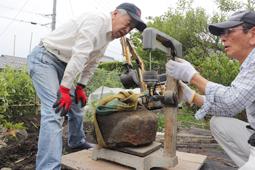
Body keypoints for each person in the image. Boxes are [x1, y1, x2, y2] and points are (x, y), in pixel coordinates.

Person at [27, 2, 146, 170]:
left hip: (63, 63)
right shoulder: (97, 20)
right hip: (45, 59)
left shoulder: (108, 36)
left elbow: (93, 62)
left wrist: (80, 87)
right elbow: (81, 54)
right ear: (115, 14)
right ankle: (48, 167)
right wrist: (64, 89)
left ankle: (76, 142)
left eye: (131, 28)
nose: (127, 29)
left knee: (76, 104)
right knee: (55, 112)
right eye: (127, 23)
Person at [166, 10, 255, 169]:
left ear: (253, 34)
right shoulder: (248, 66)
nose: (222, 38)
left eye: (229, 31)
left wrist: (193, 76)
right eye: (222, 33)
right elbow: (229, 107)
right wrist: (191, 96)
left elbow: (231, 101)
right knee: (219, 123)